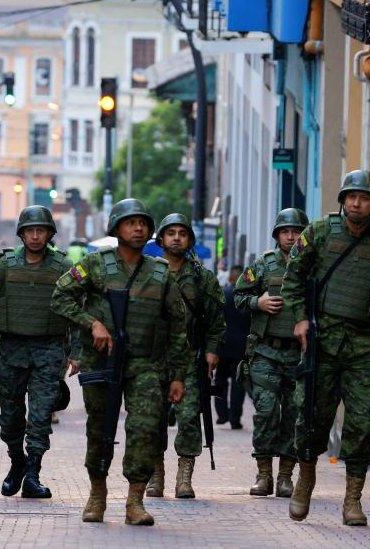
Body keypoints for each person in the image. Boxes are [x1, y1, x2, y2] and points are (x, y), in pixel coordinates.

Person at [282, 171, 370, 526]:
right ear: (343, 200)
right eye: (351, 196)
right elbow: (293, 280)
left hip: (368, 346)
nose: (356, 202)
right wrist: (300, 319)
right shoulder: (318, 232)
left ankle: (353, 498)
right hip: (324, 341)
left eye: (364, 197)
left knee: (361, 424)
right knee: (311, 418)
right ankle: (305, 480)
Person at [50, 198, 190, 526]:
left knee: (145, 429)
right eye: (131, 223)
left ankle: (135, 501)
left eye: (143, 223)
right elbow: (60, 297)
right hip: (102, 361)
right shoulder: (95, 264)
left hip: (145, 364)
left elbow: (178, 326)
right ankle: (97, 495)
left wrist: (178, 375)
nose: (138, 228)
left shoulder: (160, 273)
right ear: (116, 229)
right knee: (99, 430)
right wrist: (92, 323)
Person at [0, 206, 77, 500]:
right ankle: (17, 462)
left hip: (49, 351)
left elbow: (79, 310)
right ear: (22, 234)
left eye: (41, 230)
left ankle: (33, 474)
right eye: (30, 230)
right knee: (11, 418)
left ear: (50, 234)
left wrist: (77, 353)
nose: (36, 236)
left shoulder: (62, 267)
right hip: (11, 351)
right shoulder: (5, 266)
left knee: (40, 417)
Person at [147, 213, 226, 499]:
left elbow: (217, 319)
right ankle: (156, 475)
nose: (177, 237)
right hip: (154, 359)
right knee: (153, 419)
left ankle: (184, 477)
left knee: (189, 417)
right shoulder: (149, 273)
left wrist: (212, 350)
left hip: (190, 358)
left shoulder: (202, 278)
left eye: (182, 233)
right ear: (162, 239)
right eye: (171, 233)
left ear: (189, 240)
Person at [234, 208, 309, 498]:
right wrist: (258, 303)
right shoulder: (263, 265)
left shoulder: (312, 265)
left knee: (293, 413)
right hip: (265, 352)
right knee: (266, 411)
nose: (290, 236)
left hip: (298, 355)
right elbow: (238, 296)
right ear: (277, 235)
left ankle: (286, 477)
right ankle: (263, 474)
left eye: (296, 231)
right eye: (285, 231)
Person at [215, 265, 249, 430]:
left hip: (222, 346)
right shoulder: (248, 297)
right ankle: (235, 419)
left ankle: (222, 415)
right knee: (238, 384)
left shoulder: (222, 294)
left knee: (220, 381)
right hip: (241, 347)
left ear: (231, 277)